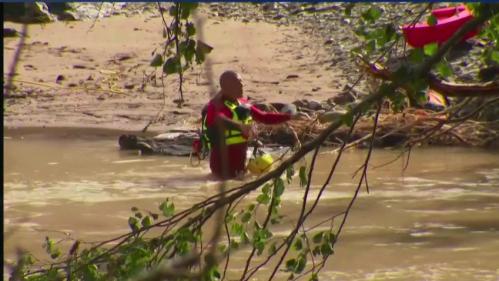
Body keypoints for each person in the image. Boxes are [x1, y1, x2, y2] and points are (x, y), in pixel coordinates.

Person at [202, 70, 292, 179]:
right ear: (226, 88)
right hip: (221, 170)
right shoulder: (217, 107)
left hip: (239, 167)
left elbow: (264, 117)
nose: (242, 86)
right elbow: (218, 119)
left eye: (241, 83)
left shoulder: (244, 105)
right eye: (237, 84)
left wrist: (288, 117)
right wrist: (239, 126)